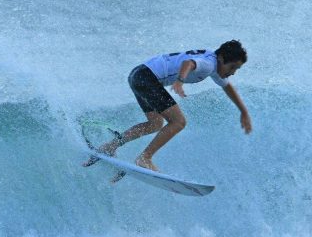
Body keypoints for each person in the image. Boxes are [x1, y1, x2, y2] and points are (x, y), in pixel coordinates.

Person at [83, 40, 252, 177]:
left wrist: (243, 111)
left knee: (155, 123)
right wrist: (180, 80)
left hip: (138, 75)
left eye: (236, 69)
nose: (233, 72)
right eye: (233, 67)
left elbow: (227, 87)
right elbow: (189, 63)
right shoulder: (209, 64)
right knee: (179, 122)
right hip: (148, 78)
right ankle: (145, 158)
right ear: (222, 58)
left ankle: (109, 146)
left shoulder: (213, 61)